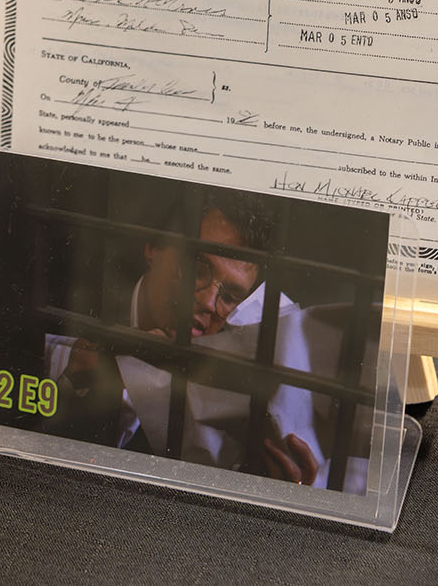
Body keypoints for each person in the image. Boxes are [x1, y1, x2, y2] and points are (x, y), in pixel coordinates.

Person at [46, 189, 320, 486]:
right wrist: (71, 388)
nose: (209, 303)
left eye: (229, 296)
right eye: (196, 269)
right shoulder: (68, 300)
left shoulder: (233, 389)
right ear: (154, 248)